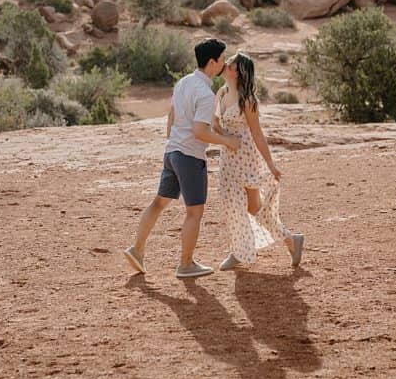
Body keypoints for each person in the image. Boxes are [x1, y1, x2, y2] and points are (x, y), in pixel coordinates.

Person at [124, 38, 241, 278]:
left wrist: (173, 143)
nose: (224, 63)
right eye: (222, 59)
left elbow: (171, 116)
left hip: (172, 152)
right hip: (189, 157)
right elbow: (200, 131)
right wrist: (228, 141)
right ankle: (186, 264)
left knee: (158, 203)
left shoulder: (184, 83)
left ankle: (137, 250)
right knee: (194, 213)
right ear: (212, 62)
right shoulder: (206, 94)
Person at [215, 52, 303, 270]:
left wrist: (271, 165)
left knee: (253, 207)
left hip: (246, 157)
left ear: (238, 72)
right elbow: (215, 122)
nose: (225, 65)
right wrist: (224, 138)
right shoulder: (221, 92)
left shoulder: (248, 101)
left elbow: (257, 133)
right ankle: (240, 250)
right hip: (227, 156)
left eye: (231, 64)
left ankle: (290, 240)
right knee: (231, 203)